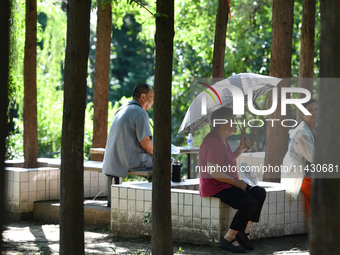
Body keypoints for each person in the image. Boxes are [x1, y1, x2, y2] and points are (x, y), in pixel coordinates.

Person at [199, 107, 266, 253]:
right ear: (223, 124)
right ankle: (229, 238)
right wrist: (236, 182)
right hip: (217, 186)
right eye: (232, 120)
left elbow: (226, 162)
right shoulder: (214, 141)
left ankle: (244, 233)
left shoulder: (222, 140)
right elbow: (214, 171)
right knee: (250, 202)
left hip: (226, 183)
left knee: (260, 193)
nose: (235, 123)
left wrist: (241, 149)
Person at [103, 84, 154, 205]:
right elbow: (146, 144)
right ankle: (158, 200)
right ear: (143, 97)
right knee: (168, 161)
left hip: (111, 161)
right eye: (151, 97)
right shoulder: (140, 112)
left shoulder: (122, 109)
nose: (153, 101)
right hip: (125, 162)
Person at [281, 98, 317, 217]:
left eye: (316, 109)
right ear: (303, 114)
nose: (314, 112)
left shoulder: (315, 129)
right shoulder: (302, 132)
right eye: (310, 110)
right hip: (297, 175)